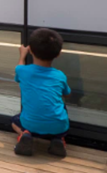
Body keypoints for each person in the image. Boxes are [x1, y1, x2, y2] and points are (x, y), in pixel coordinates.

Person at [12, 27, 71, 157]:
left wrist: (22, 55)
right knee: (61, 106)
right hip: (58, 126)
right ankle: (58, 139)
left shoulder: (23, 71)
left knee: (14, 121)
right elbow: (67, 93)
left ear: (31, 50)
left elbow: (19, 68)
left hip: (30, 124)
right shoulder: (60, 76)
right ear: (58, 54)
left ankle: (25, 135)